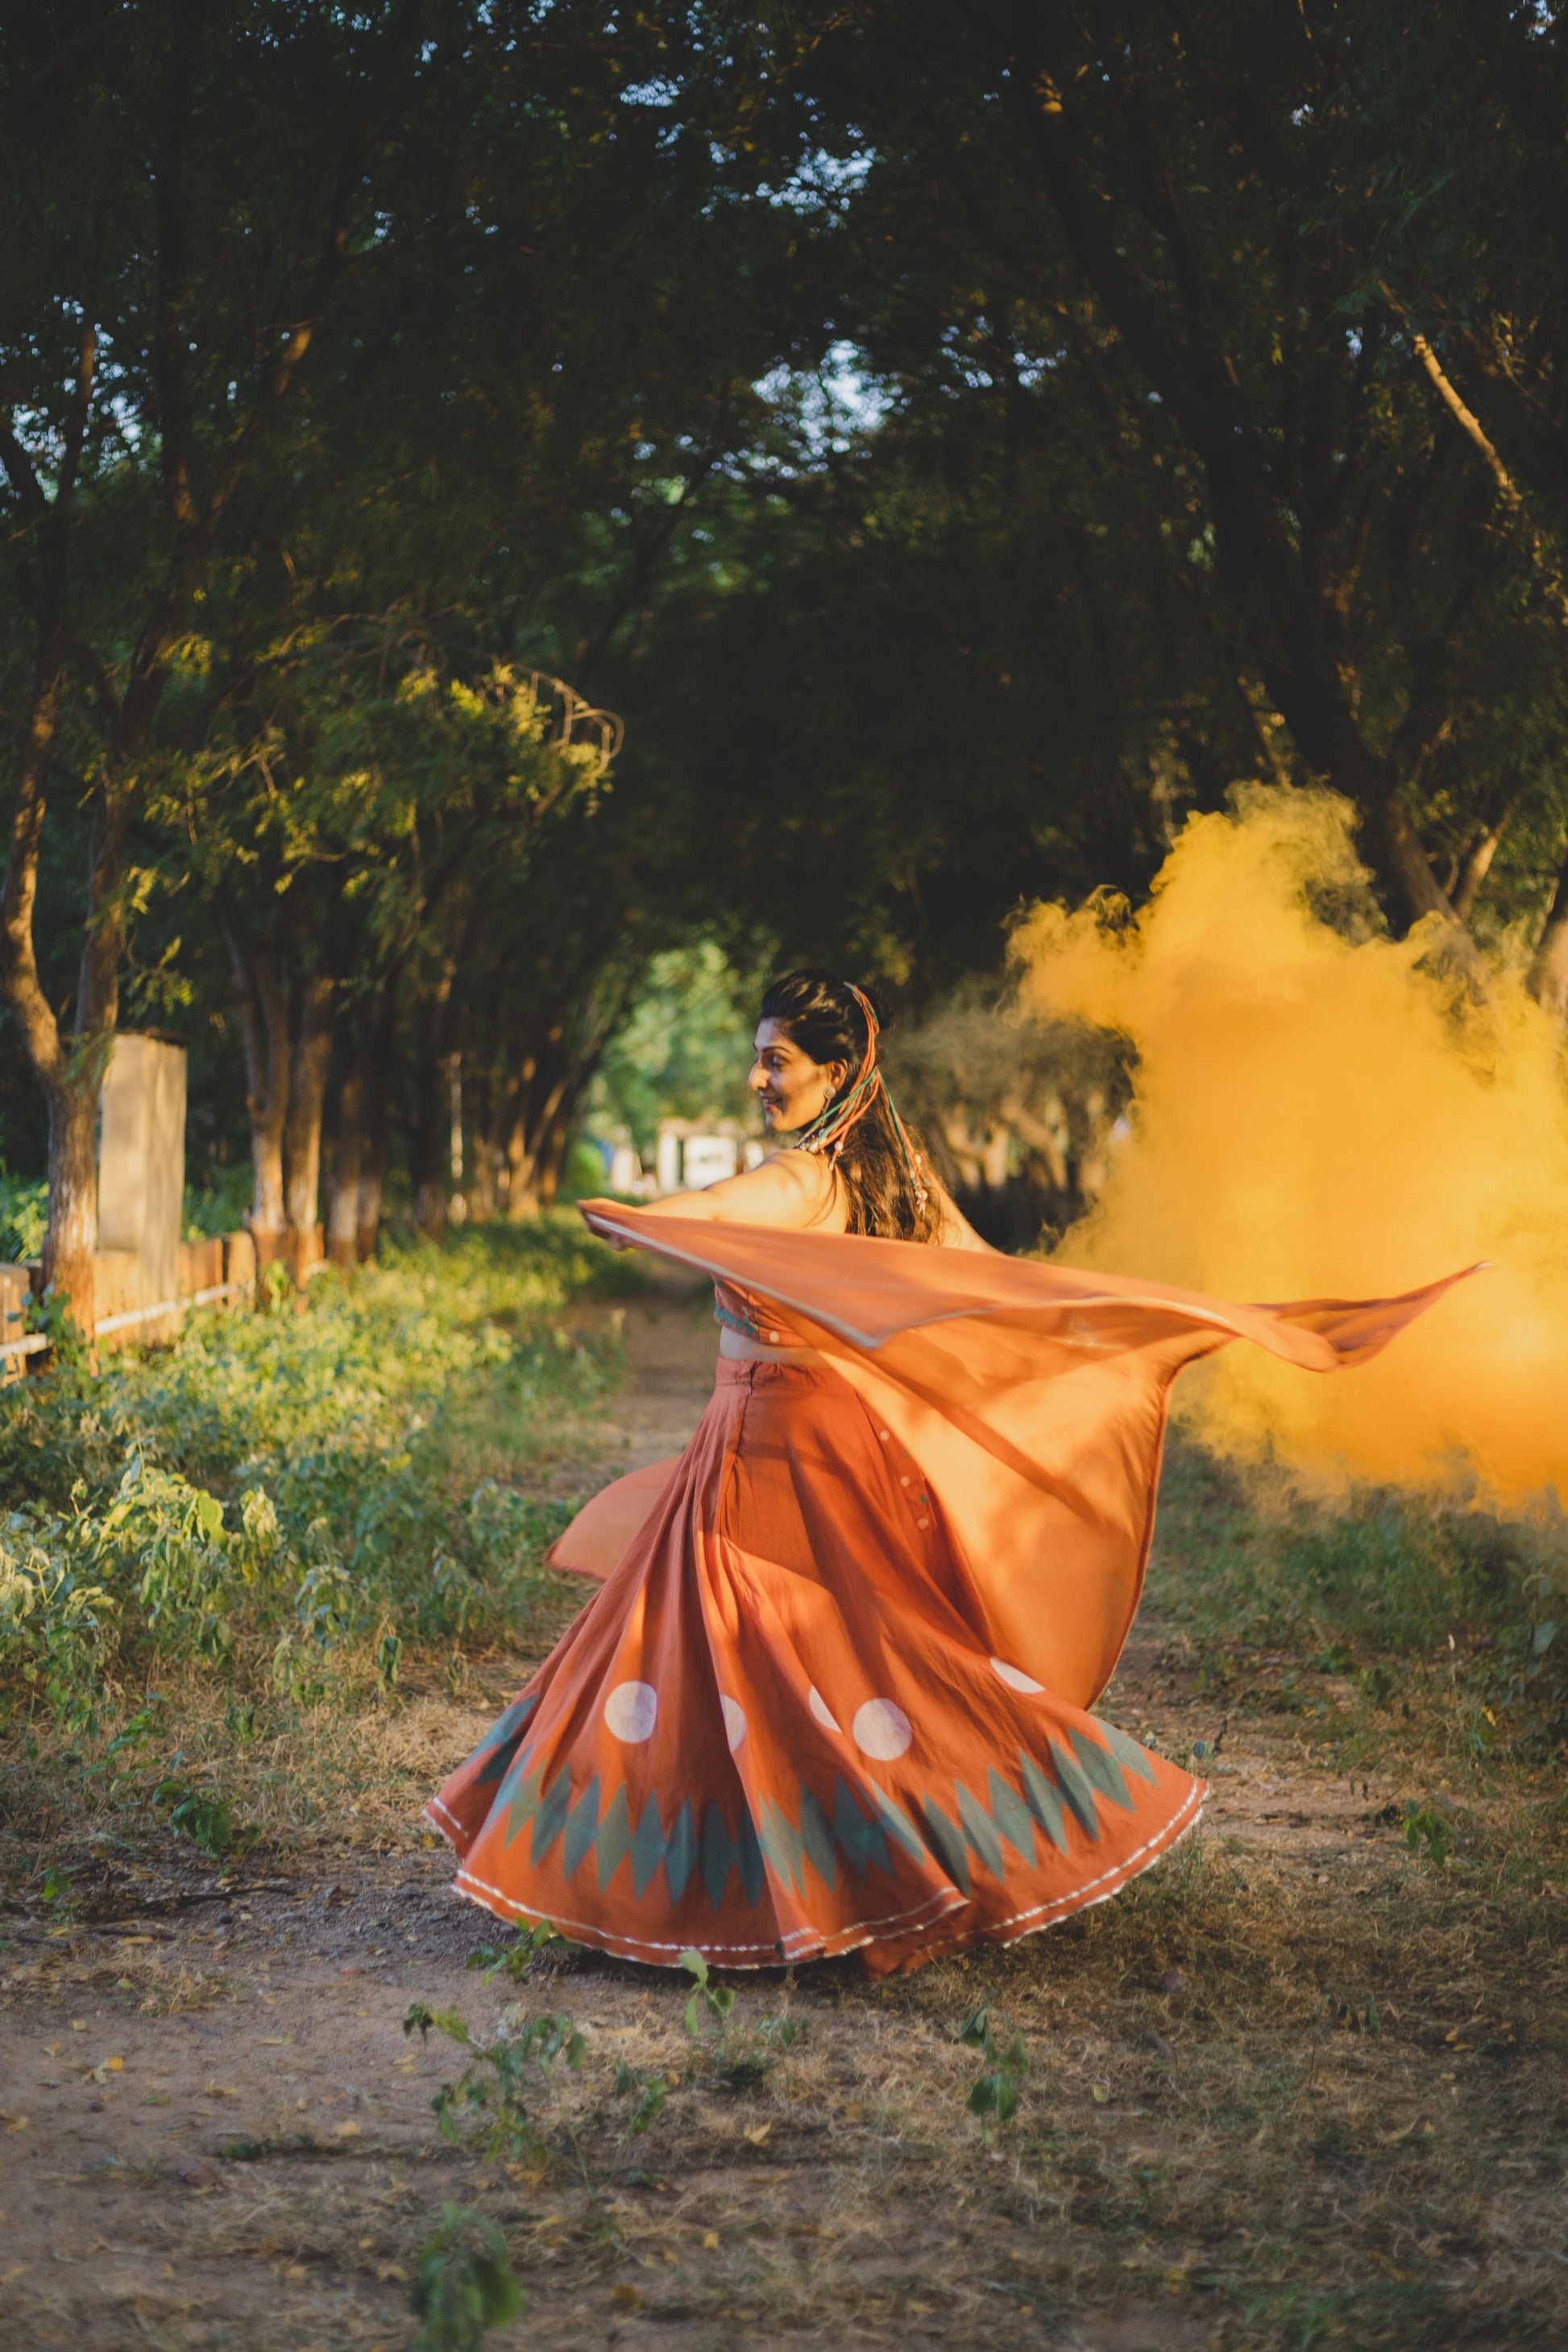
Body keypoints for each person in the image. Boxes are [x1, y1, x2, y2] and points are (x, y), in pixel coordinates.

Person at [427, 970, 1469, 1977]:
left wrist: (620, 1214)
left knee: (732, 1651)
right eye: (757, 1059)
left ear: (838, 1072)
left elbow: (699, 1217)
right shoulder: (900, 1185)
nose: (758, 1079)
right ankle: (811, 1869)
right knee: (827, 1661)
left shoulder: (797, 1180)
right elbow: (992, 1286)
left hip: (769, 1452)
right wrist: (1132, 1318)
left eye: (775, 1060)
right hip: (818, 1448)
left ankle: (685, 1877)